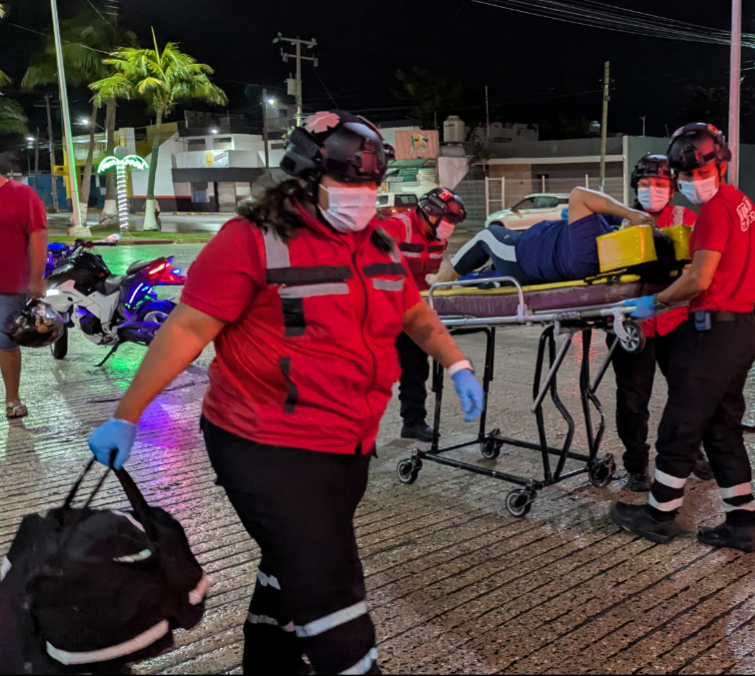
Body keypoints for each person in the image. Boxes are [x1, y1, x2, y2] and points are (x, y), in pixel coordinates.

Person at [85, 110, 484, 676]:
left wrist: (457, 361)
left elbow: (414, 310)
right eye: (349, 182)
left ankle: (268, 662)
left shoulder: (378, 243)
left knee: (289, 568)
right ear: (305, 178)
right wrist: (128, 415)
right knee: (331, 595)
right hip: (263, 444)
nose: (363, 195)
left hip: (346, 444)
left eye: (370, 184)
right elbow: (186, 332)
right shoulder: (250, 242)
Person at [610, 123, 755, 553]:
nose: (691, 182)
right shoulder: (741, 202)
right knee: (722, 430)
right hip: (743, 329)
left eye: (695, 173)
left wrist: (657, 302)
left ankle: (658, 515)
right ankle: (742, 524)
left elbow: (698, 278)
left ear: (719, 167)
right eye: (685, 175)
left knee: (679, 427)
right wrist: (736, 283)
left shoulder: (714, 213)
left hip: (711, 333)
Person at [610, 154, 710, 491]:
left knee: (687, 392)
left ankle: (690, 453)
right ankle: (636, 464)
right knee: (632, 399)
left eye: (660, 184)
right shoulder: (620, 223)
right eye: (645, 183)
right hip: (632, 323)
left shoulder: (687, 218)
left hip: (676, 320)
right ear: (635, 186)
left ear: (672, 187)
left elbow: (701, 269)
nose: (652, 189)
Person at [432, 185, 652, 286]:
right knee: (487, 270)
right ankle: (468, 275)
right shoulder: (607, 246)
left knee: (486, 236)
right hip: (533, 256)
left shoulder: (590, 250)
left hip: (520, 256)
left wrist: (630, 213)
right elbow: (609, 215)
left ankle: (444, 279)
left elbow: (578, 195)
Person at [381, 187, 467, 442]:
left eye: (453, 222)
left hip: (411, 310)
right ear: (430, 212)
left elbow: (431, 280)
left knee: (416, 367)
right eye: (448, 219)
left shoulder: (439, 239)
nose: (449, 226)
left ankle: (413, 422)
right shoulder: (397, 227)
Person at [0, 176, 47, 420]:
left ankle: (12, 399)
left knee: (5, 342)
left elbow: (37, 236)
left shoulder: (21, 195)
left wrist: (36, 278)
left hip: (8, 286)